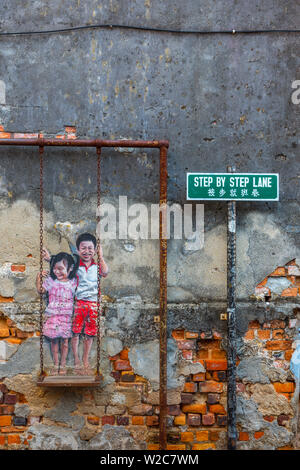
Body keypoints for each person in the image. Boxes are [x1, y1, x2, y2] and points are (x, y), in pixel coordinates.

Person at [43, 233, 108, 374]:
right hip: (78, 303)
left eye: (90, 248)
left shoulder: (97, 267)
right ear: (78, 251)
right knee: (76, 332)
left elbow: (105, 272)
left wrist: (101, 256)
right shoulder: (75, 265)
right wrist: (50, 259)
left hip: (93, 304)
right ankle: (77, 361)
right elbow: (62, 265)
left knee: (90, 333)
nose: (87, 251)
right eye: (83, 248)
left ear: (95, 250)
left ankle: (85, 360)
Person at [36, 252, 79, 375]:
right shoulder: (51, 281)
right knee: (54, 341)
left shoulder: (73, 282)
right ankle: (56, 364)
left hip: (66, 317)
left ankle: (63, 364)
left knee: (65, 342)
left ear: (70, 269)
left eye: (60, 268)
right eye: (54, 268)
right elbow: (41, 290)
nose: (56, 271)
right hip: (53, 316)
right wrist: (38, 277)